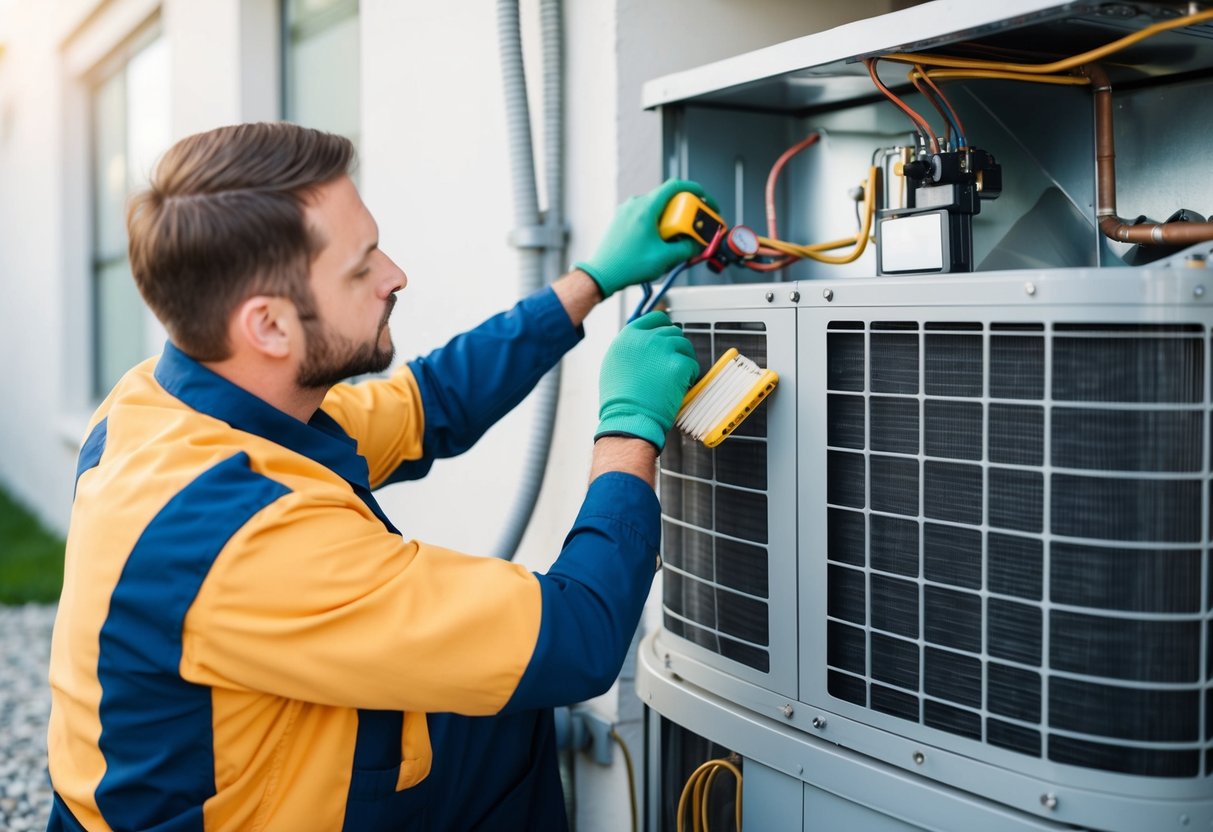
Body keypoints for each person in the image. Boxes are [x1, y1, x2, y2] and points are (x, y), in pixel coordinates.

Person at [45, 121, 713, 831]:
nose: (394, 275)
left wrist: (590, 283)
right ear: (268, 327)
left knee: (495, 718)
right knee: (519, 686)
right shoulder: (245, 538)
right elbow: (577, 639)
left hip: (236, 753)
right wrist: (628, 429)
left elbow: (427, 405)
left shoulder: (162, 402)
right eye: (362, 266)